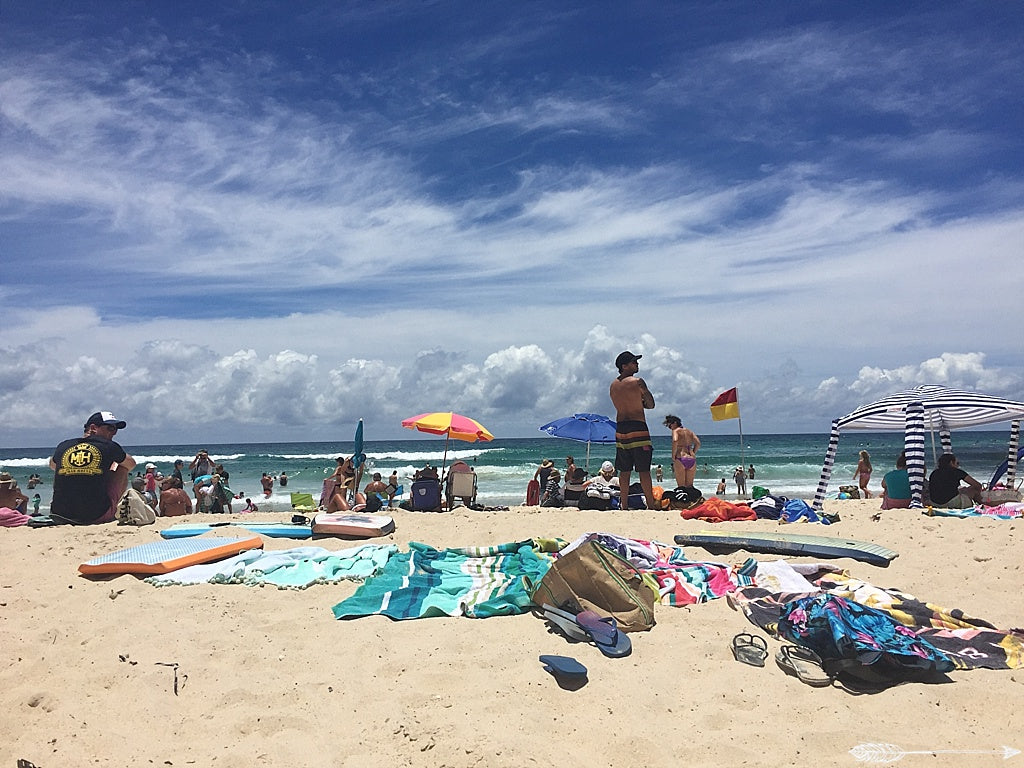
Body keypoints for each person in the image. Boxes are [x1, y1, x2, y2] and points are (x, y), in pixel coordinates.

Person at [49, 411, 137, 525]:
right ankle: (114, 510)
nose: (114, 433)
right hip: (94, 516)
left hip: (59, 514)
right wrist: (108, 472)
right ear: (93, 428)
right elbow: (131, 464)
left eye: (115, 429)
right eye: (110, 428)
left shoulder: (64, 445)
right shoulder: (108, 446)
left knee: (64, 471)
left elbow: (52, 465)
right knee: (122, 467)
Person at [609, 350, 657, 509]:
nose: (637, 364)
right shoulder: (638, 382)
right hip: (637, 426)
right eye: (633, 362)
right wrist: (643, 398)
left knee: (624, 470)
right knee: (643, 469)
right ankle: (650, 504)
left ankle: (623, 505)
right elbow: (651, 405)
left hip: (621, 428)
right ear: (624, 366)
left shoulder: (613, 386)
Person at [663, 415, 701, 490]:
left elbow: (675, 440)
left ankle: (683, 501)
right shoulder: (689, 431)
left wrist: (673, 455)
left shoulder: (676, 431)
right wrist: (693, 452)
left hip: (680, 457)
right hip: (691, 458)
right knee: (690, 487)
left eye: (670, 426)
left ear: (675, 423)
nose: (670, 428)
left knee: (681, 487)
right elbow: (698, 443)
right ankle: (692, 501)